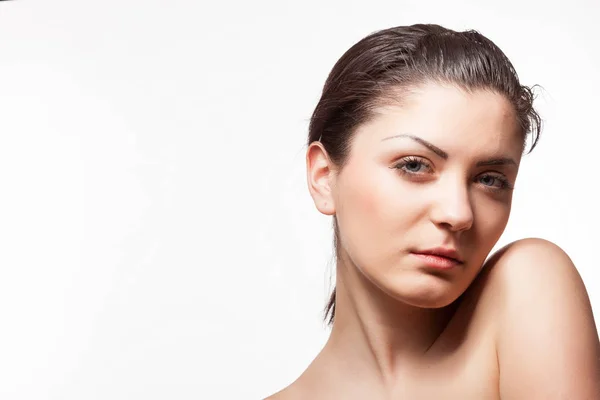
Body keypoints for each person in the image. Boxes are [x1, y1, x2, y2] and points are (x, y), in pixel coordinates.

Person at [266, 23, 600, 399]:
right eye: (414, 165)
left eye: (489, 179)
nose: (459, 214)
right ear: (324, 178)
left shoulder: (529, 285)